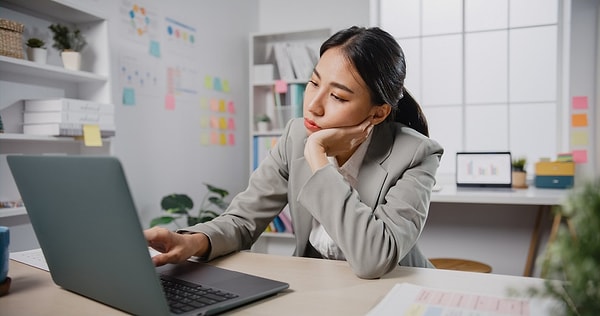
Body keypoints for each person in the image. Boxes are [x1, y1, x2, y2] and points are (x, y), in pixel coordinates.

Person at [145, 26, 444, 279]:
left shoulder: (416, 153)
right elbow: (242, 220)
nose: (313, 105)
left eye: (338, 96)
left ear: (378, 114)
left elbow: (373, 259)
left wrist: (317, 156)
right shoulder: (294, 135)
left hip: (396, 292)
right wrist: (194, 242)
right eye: (313, 83)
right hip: (318, 287)